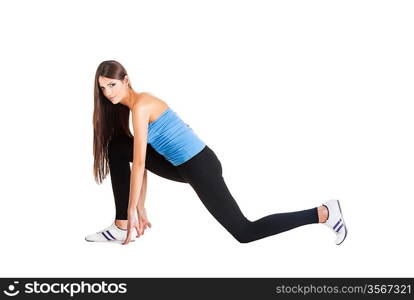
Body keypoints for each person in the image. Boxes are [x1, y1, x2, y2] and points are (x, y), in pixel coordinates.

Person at [86, 60, 348, 246]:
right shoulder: (135, 112)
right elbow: (140, 160)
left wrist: (133, 209)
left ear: (126, 80)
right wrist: (139, 207)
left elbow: (142, 163)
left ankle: (323, 212)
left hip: (200, 166)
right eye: (103, 88)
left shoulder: (142, 105)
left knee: (244, 231)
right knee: (118, 147)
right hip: (180, 165)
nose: (108, 93)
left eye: (112, 85)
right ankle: (121, 226)